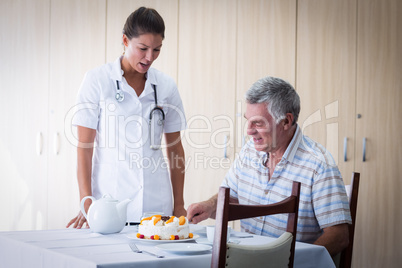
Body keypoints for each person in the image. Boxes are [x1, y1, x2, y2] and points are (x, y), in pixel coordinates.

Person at [187, 76, 351, 256]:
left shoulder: (319, 164)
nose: (249, 131)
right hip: (245, 260)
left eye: (258, 123)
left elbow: (339, 235)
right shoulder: (250, 150)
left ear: (286, 121)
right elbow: (232, 198)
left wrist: (294, 264)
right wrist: (209, 206)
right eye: (247, 121)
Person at [67, 7, 187, 229]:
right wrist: (87, 201)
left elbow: (175, 148)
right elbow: (85, 146)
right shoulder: (97, 80)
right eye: (143, 48)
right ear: (125, 40)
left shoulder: (166, 86)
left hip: (157, 204)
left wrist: (179, 203)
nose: (149, 57)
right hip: (109, 204)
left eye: (157, 49)